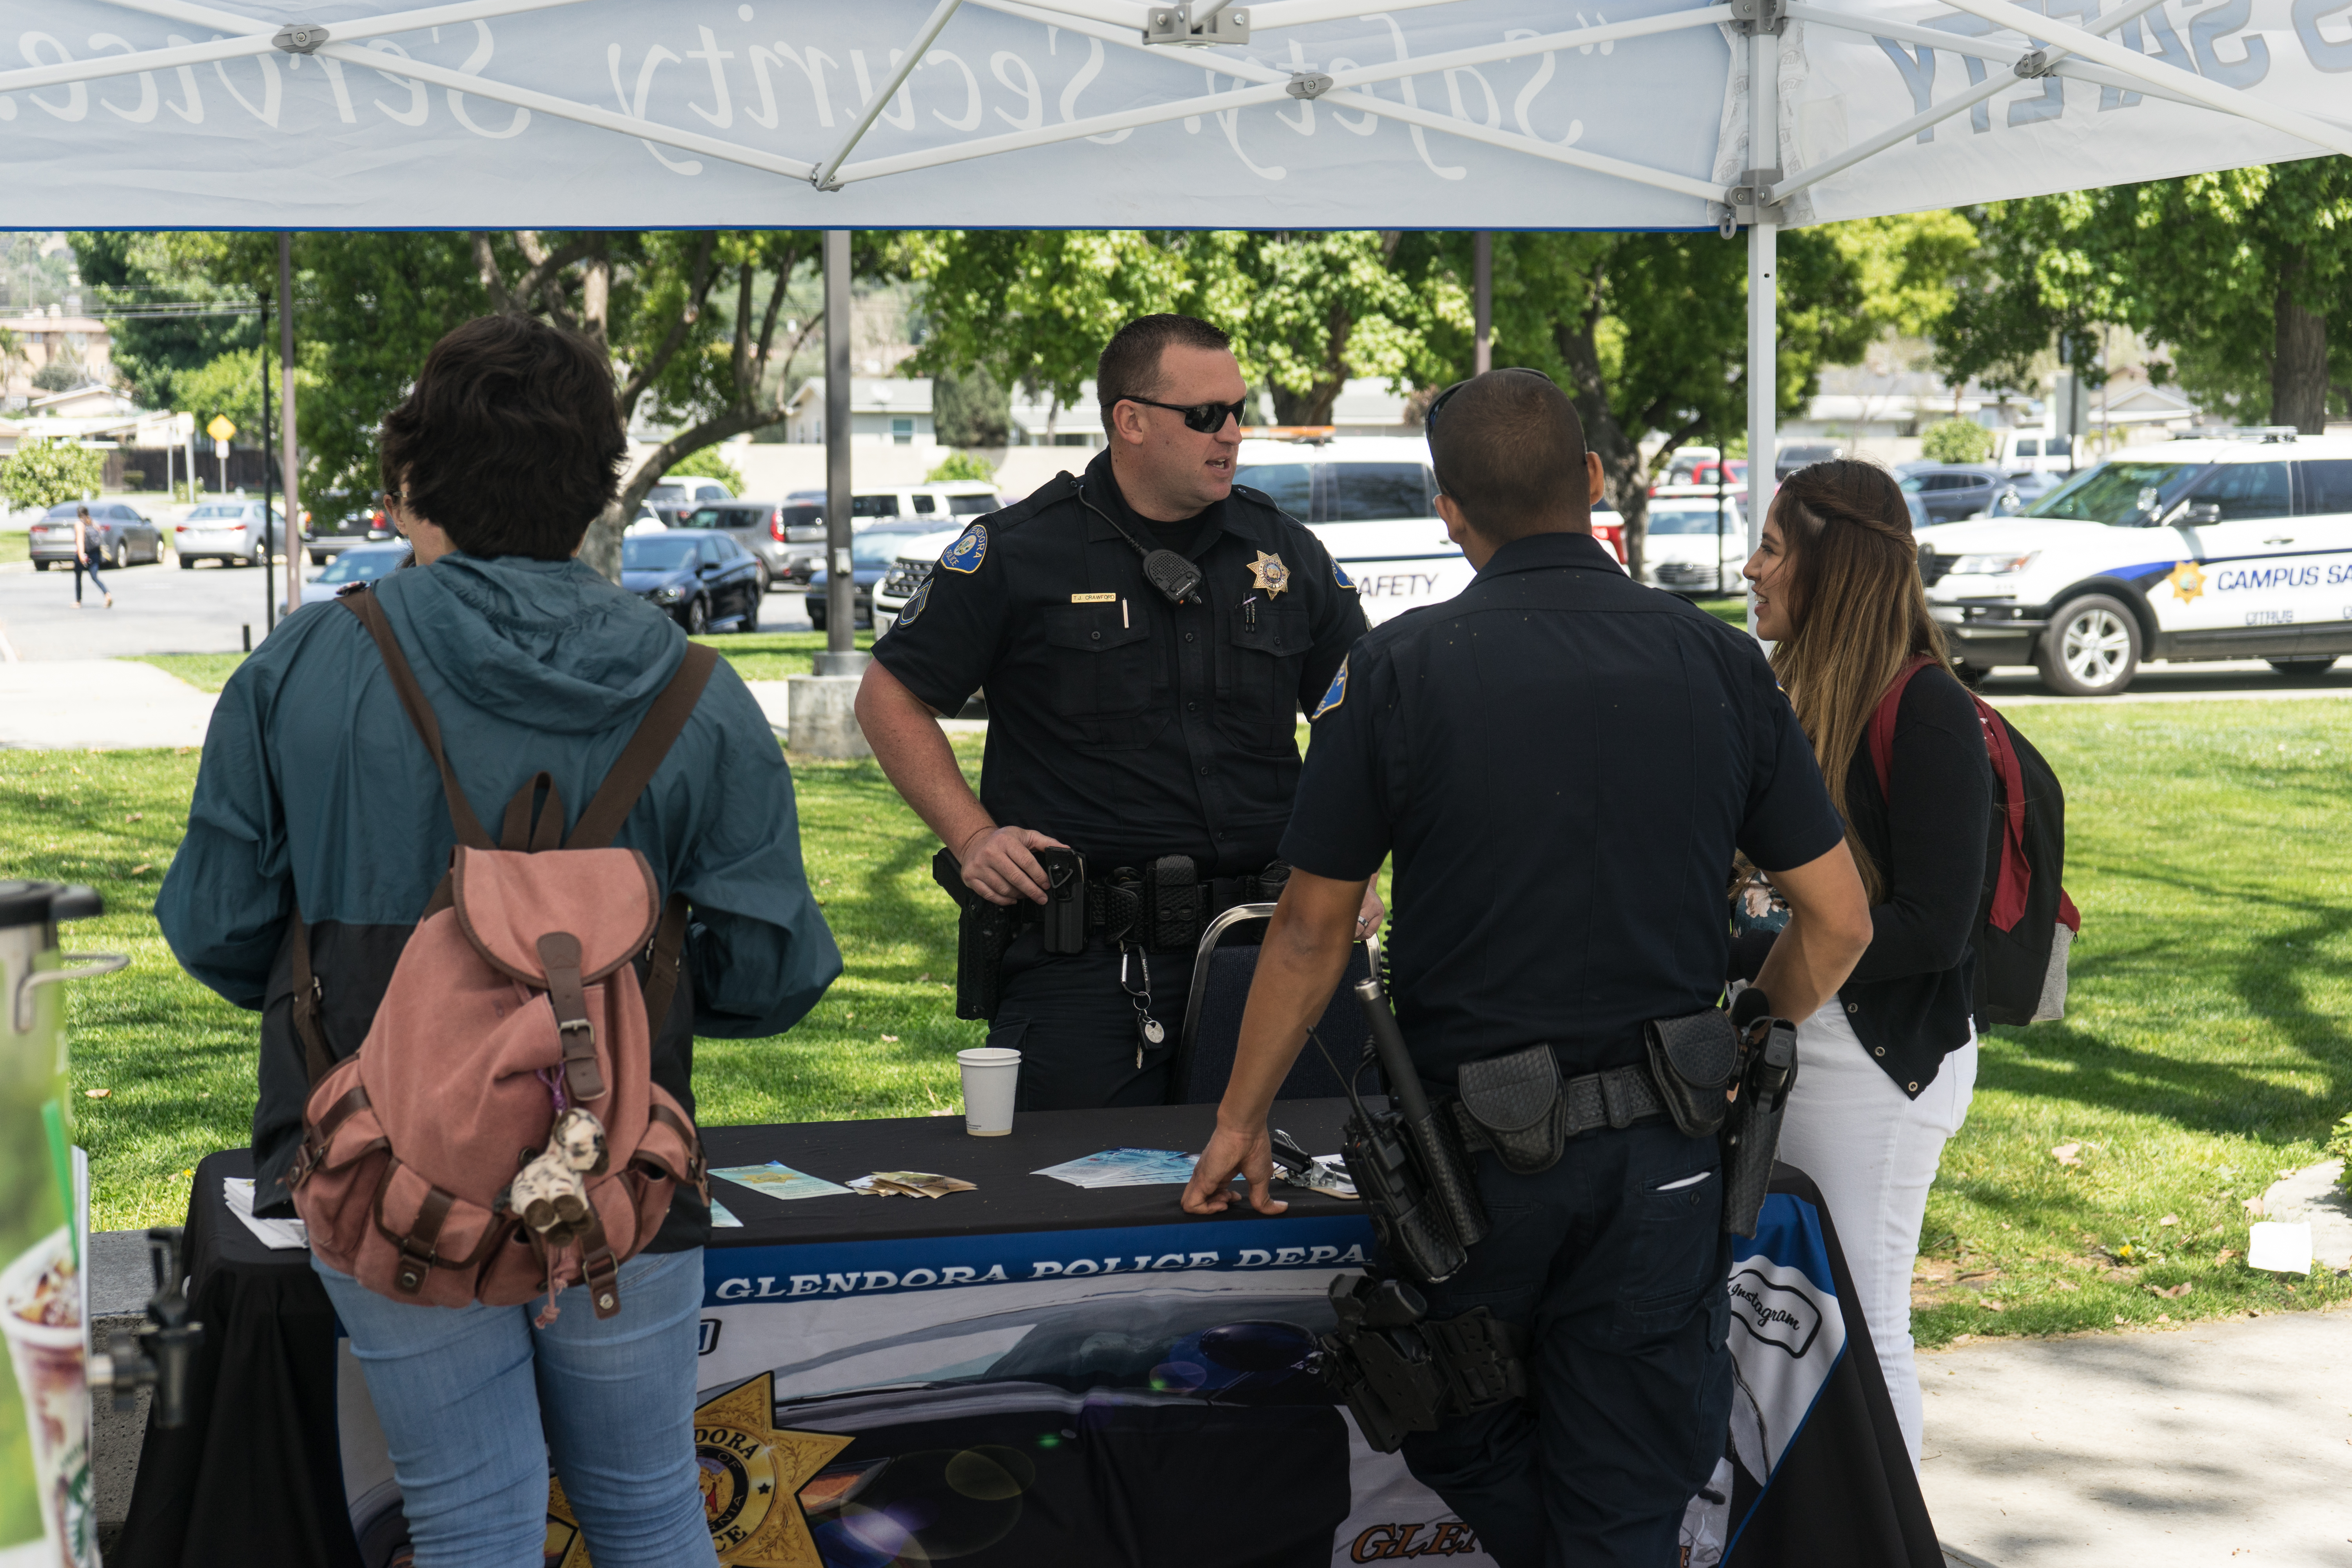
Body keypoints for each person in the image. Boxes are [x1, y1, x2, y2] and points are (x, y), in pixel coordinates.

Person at [158, 314, 840, 1568]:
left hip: (380, 1156)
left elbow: (215, 929)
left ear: (417, 479)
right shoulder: (700, 692)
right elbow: (771, 972)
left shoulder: (308, 663)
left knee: (470, 1516)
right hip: (623, 1158)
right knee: (648, 1506)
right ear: (593, 486)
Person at [1180, 370, 1875, 1568]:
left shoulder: (1395, 668)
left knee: (1445, 1411)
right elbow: (1837, 920)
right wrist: (1753, 1034)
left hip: (1473, 1167)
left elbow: (1308, 929)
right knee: (1625, 1481)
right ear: (1595, 482)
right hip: (1661, 1150)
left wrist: (1240, 1117)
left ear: (1449, 510)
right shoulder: (1717, 664)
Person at [856, 313, 1376, 1110]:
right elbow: (889, 693)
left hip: (1270, 942)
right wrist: (971, 835)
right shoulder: (1023, 551)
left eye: (1239, 412)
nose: (1231, 433)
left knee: (1311, 1189)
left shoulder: (1282, 553)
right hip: (1089, 963)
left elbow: (1361, 714)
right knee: (1078, 1203)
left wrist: (1353, 865)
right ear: (1129, 420)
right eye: (1205, 415)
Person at [1738, 458, 1994, 1467]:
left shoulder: (1926, 708)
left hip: (1881, 1062)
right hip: (1803, 1034)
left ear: (1829, 567)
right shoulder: (1790, 692)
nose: (1750, 568)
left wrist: (1753, 948)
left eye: (1770, 547)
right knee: (1786, 1314)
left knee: (1865, 1320)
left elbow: (1937, 926)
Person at [72, 504, 112, 608]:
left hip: (85, 554)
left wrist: (81, 556)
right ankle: (107, 594)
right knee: (94, 577)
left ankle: (78, 601)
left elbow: (80, 540)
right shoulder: (94, 523)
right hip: (95, 553)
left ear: (78, 514)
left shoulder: (79, 524)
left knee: (78, 577)